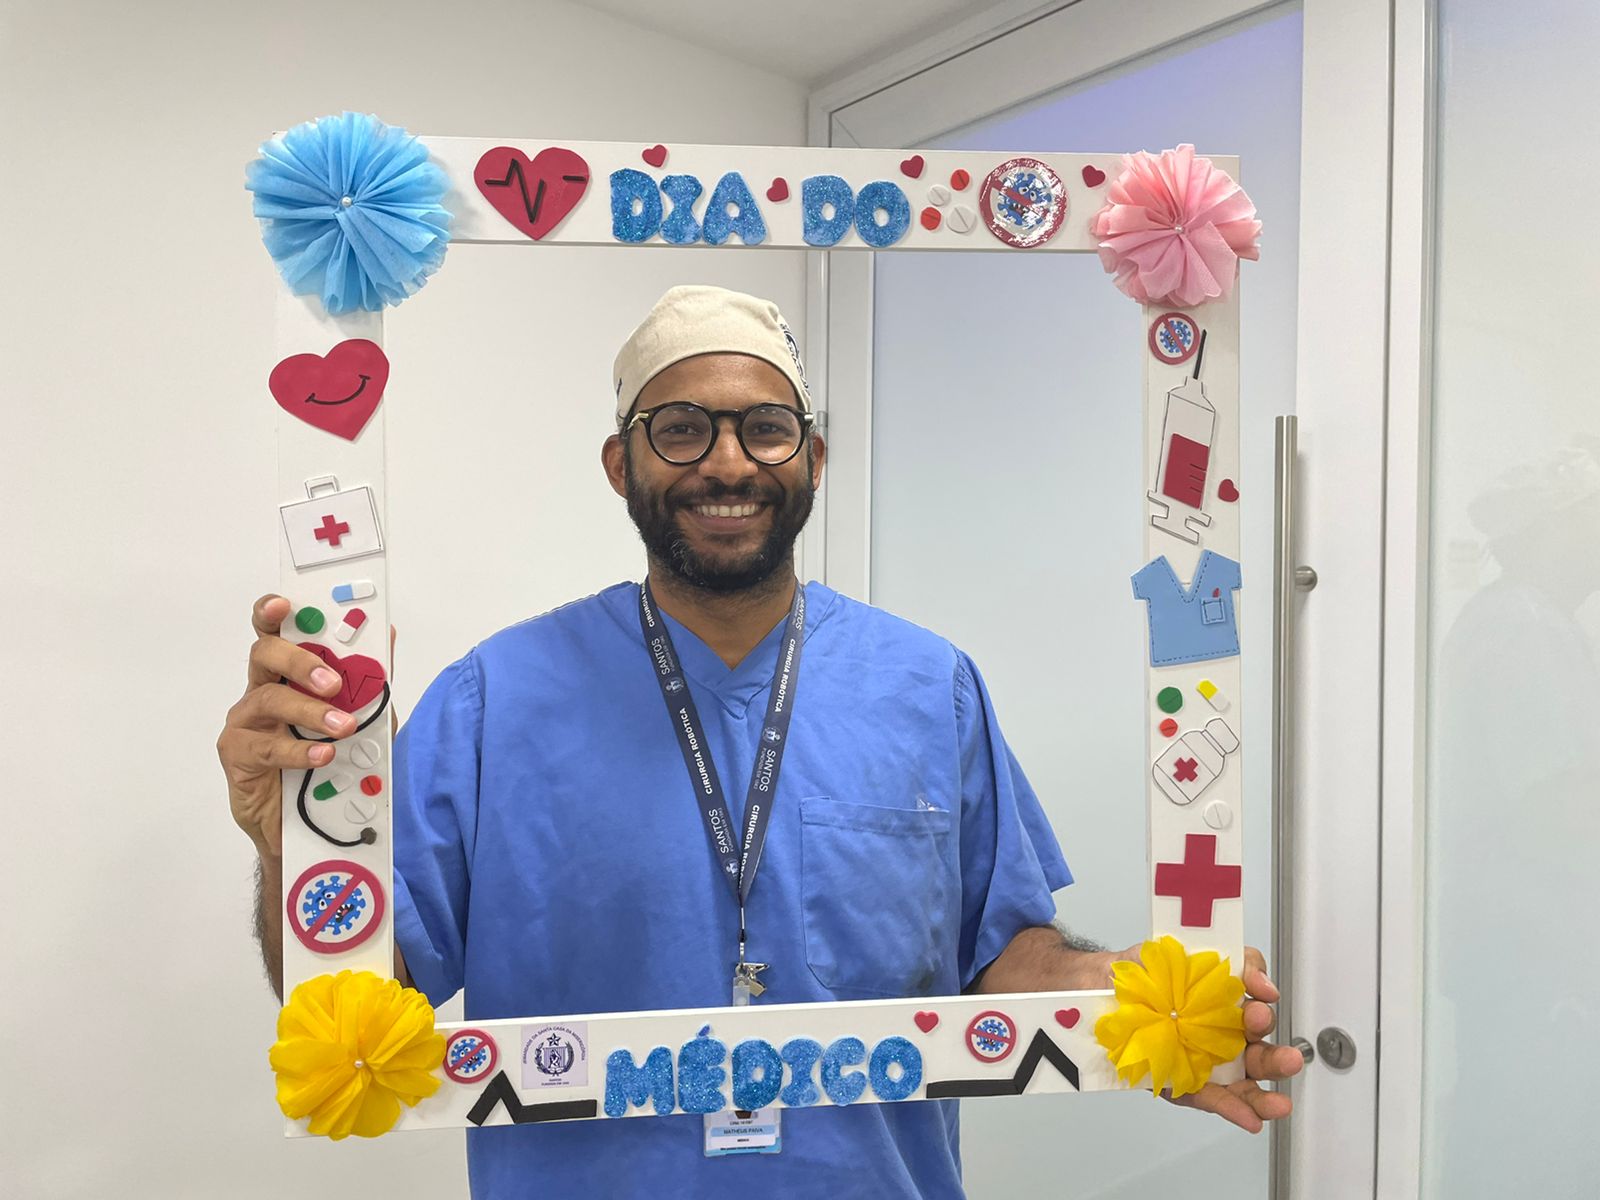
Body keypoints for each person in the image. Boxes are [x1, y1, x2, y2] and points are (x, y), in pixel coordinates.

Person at [219, 285, 1300, 1198]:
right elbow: (370, 991)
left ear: (813, 457)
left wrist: (1130, 1003)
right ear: (621, 463)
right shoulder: (493, 700)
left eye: (765, 429)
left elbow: (998, 960)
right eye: (681, 429)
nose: (727, 463)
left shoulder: (928, 686)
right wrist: (294, 845)